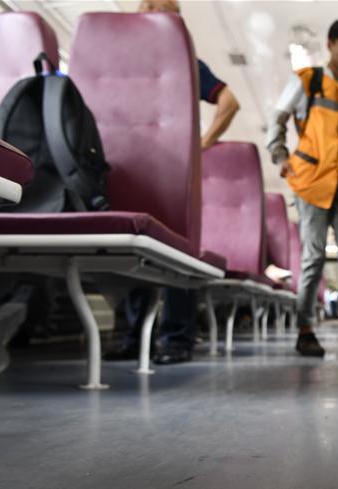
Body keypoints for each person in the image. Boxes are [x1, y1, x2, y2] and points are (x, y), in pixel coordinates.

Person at [105, 0, 239, 365]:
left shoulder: (186, 63)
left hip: (172, 168)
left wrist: (202, 144)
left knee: (177, 251)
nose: (147, 10)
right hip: (127, 164)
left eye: (159, 6)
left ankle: (177, 337)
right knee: (134, 248)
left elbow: (229, 102)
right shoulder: (119, 62)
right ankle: (133, 335)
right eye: (146, 4)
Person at [267, 19, 338, 359]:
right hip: (311, 181)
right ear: (330, 44)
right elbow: (277, 119)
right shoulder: (307, 80)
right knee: (313, 258)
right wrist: (279, 155)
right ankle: (305, 331)